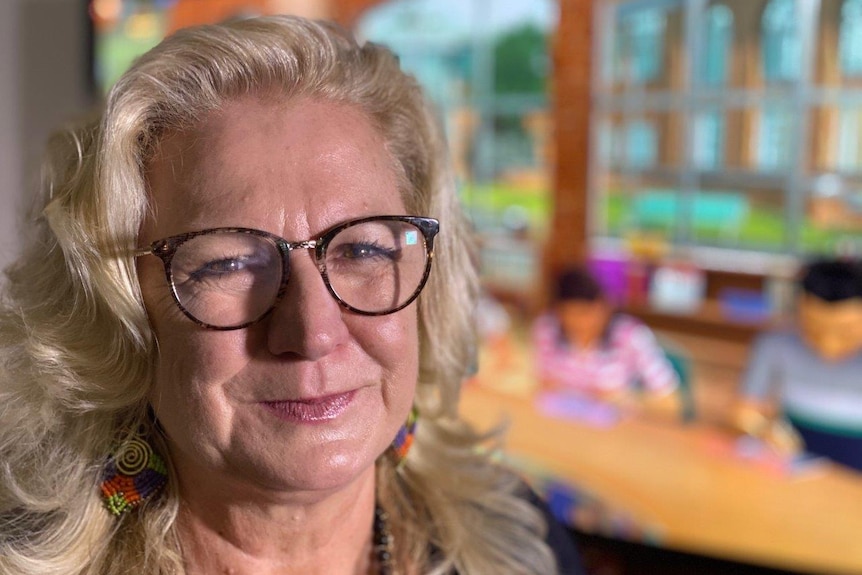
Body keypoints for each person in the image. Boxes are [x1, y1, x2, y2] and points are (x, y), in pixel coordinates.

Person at [0, 16, 584, 575]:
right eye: (227, 263)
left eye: (363, 251)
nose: (313, 332)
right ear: (120, 310)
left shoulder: (520, 543)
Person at [731, 258, 862, 470]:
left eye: (847, 332)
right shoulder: (776, 344)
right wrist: (764, 428)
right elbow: (744, 409)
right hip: (796, 466)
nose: (829, 343)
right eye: (813, 328)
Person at [532, 266, 681, 415]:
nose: (579, 323)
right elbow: (541, 384)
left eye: (586, 313)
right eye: (568, 314)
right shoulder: (547, 329)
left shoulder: (630, 336)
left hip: (616, 432)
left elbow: (671, 402)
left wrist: (625, 398)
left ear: (605, 307)